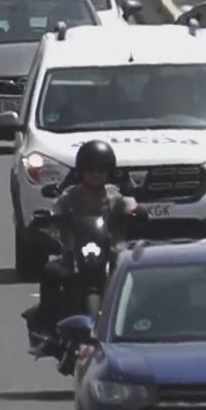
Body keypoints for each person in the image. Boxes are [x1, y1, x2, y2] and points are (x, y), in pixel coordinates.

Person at [24, 139, 139, 357]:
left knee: (134, 282)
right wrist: (47, 221)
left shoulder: (114, 196)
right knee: (50, 273)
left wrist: (136, 211)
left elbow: (130, 205)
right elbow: (54, 211)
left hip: (112, 256)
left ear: (109, 172)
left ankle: (137, 330)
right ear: (81, 172)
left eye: (101, 170)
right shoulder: (70, 196)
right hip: (74, 256)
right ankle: (45, 330)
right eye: (90, 170)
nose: (95, 175)